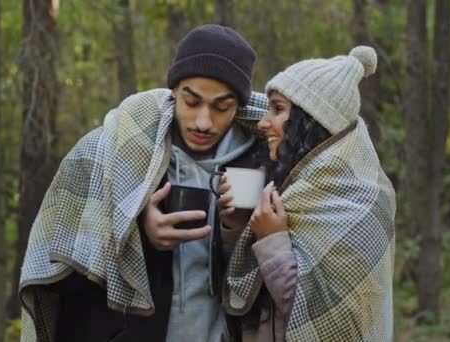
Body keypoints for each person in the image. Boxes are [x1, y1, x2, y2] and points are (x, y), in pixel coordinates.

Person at [18, 24, 268, 342]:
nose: (204, 122)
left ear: (239, 106)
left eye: (222, 107)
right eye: (192, 102)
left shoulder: (262, 162)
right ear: (174, 91)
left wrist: (235, 230)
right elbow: (57, 269)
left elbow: (275, 279)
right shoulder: (111, 150)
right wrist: (135, 230)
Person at [219, 46, 396, 341]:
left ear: (308, 120)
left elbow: (328, 320)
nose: (263, 123)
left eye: (277, 109)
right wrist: (237, 227)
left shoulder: (360, 202)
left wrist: (272, 241)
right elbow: (254, 287)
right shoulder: (291, 185)